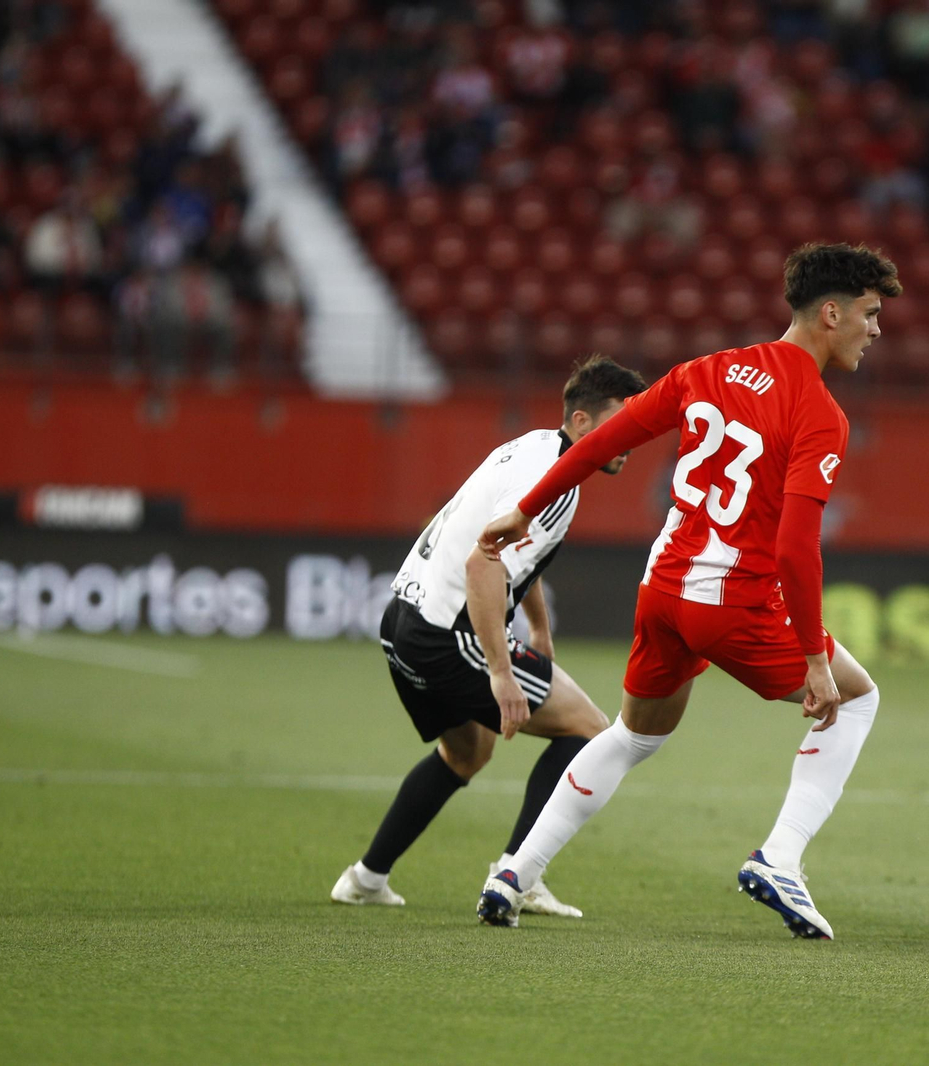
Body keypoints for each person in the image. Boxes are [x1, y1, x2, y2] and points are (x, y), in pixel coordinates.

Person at [475, 243, 900, 939]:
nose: (876, 329)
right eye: (870, 313)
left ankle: (515, 872)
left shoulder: (707, 369)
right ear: (832, 313)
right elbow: (795, 548)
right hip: (733, 602)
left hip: (663, 589)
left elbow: (599, 441)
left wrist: (526, 508)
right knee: (856, 698)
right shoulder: (819, 413)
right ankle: (781, 858)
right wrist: (814, 658)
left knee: (632, 736)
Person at [332, 355, 647, 918]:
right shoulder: (554, 483)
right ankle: (516, 875)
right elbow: (484, 565)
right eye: (619, 425)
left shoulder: (532, 448)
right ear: (581, 421)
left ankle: (366, 878)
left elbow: (512, 551)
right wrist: (502, 673)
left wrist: (539, 629)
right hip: (449, 634)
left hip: (401, 622)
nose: (630, 440)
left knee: (465, 753)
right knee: (589, 731)